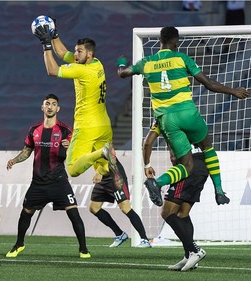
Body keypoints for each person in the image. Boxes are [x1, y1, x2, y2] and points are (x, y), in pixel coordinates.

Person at [117, 26, 249, 207]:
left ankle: (157, 182)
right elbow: (209, 84)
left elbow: (123, 74)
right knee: (207, 148)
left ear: (160, 41)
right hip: (187, 113)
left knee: (186, 166)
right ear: (176, 41)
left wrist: (122, 63)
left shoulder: (146, 62)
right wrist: (233, 91)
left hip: (167, 120)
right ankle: (219, 191)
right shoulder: (182, 58)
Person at [33, 19, 126, 201]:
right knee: (103, 167)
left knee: (73, 168)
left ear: (89, 54)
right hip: (103, 125)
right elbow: (62, 53)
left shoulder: (82, 71)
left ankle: (103, 153)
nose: (75, 54)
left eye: (79, 51)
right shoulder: (96, 64)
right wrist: (54, 34)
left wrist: (46, 45)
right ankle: (110, 174)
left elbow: (52, 70)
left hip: (87, 126)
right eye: (76, 50)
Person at [5, 94, 90, 259]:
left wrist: (71, 146)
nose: (50, 106)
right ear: (42, 108)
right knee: (26, 213)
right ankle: (19, 244)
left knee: (73, 213)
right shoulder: (34, 130)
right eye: (47, 104)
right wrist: (14, 160)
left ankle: (83, 249)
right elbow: (27, 151)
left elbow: (76, 154)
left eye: (53, 104)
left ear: (58, 108)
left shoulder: (66, 131)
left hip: (59, 182)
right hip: (38, 183)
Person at [143, 119, 208, 271]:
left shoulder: (163, 117)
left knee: (167, 212)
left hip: (186, 167)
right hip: (202, 166)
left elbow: (147, 143)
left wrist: (146, 165)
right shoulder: (193, 115)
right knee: (183, 213)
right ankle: (188, 256)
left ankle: (195, 250)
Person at [90, 160, 151, 248]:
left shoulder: (103, 145)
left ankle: (144, 239)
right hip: (104, 177)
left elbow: (110, 156)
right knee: (93, 207)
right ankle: (119, 234)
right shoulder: (79, 147)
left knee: (125, 207)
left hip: (115, 174)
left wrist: (99, 171)